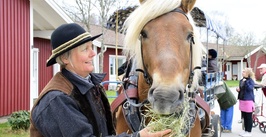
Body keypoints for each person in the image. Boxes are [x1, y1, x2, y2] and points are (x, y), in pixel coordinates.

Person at [29, 23, 171, 137]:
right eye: (85, 49)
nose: (93, 53)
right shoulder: (58, 99)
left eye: (92, 47)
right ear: (65, 58)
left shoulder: (89, 84)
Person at [236, 68, 256, 137]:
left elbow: (250, 89)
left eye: (244, 72)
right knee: (243, 116)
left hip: (248, 100)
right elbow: (241, 88)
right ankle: (245, 130)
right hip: (242, 99)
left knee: (248, 116)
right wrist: (238, 89)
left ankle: (249, 131)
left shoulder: (250, 81)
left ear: (248, 73)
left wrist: (246, 82)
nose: (242, 73)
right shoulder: (241, 80)